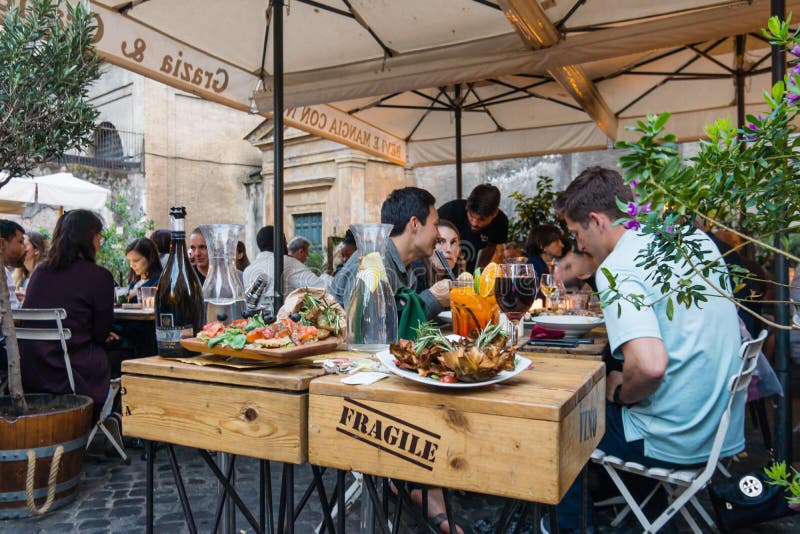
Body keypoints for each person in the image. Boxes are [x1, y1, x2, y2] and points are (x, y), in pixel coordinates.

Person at [551, 167, 743, 533]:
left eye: (577, 235)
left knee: (563, 421)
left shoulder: (620, 266)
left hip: (677, 436)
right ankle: (647, 504)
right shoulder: (690, 238)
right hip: (720, 426)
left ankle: (569, 527)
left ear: (596, 220)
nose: (581, 247)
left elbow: (652, 367)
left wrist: (622, 390)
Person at [19, 210, 117, 421]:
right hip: (72, 372)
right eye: (99, 235)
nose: (100, 241)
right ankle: (116, 418)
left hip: (32, 370)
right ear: (90, 238)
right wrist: (101, 335)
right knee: (128, 350)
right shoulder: (99, 276)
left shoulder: (40, 273)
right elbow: (101, 333)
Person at [332, 187, 451, 320]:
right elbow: (368, 327)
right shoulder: (372, 260)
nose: (438, 234)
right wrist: (433, 298)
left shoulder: (407, 270)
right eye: (435, 225)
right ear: (415, 223)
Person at [243, 226, 331, 312]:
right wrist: (327, 276)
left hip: (255, 324)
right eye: (285, 240)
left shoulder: (247, 271)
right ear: (280, 241)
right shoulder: (287, 262)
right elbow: (321, 288)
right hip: (285, 324)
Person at [437, 184, 509, 271]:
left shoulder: (500, 223)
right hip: (441, 262)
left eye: (481, 219)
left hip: (471, 262)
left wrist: (479, 272)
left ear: (494, 214)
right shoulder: (449, 212)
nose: (474, 223)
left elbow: (490, 248)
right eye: (471, 215)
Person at [410, 219, 464, 293]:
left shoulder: (455, 277)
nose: (449, 249)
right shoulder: (414, 273)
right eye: (440, 241)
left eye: (453, 242)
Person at [12, 230, 47, 304]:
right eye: (19, 244)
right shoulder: (19, 275)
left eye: (24, 245)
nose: (20, 248)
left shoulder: (44, 273)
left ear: (36, 250)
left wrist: (28, 296)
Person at [0, 220, 26, 310]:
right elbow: (12, 316)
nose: (25, 249)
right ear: (2, 243)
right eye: (21, 242)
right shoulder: (3, 272)